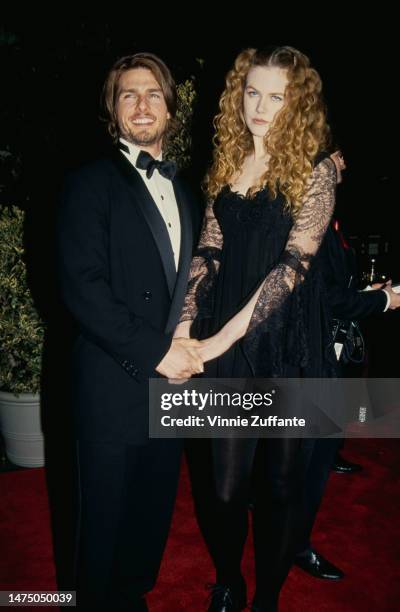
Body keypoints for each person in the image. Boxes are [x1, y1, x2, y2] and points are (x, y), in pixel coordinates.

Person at [174, 45, 339, 612]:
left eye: (276, 96)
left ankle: (266, 597)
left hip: (285, 343)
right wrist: (186, 325)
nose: (260, 106)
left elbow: (292, 270)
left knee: (280, 486)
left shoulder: (315, 169)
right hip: (225, 341)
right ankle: (229, 578)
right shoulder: (228, 160)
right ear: (237, 94)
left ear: (297, 103)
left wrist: (217, 340)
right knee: (222, 489)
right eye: (252, 92)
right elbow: (209, 251)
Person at [57, 52, 203, 611]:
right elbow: (83, 288)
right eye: (128, 95)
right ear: (112, 110)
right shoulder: (88, 183)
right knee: (100, 523)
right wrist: (157, 353)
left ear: (170, 107)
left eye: (153, 94)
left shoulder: (186, 192)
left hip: (171, 387)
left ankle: (132, 594)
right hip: (112, 382)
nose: (142, 105)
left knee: (150, 513)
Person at [294, 148, 400, 580]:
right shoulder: (311, 220)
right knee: (306, 464)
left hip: (324, 354)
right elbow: (326, 298)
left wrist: (368, 290)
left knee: (313, 458)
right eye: (334, 156)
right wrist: (382, 300)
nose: (342, 164)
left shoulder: (331, 218)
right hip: (310, 357)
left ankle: (292, 538)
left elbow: (336, 288)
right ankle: (294, 545)